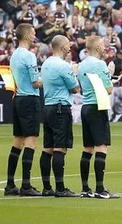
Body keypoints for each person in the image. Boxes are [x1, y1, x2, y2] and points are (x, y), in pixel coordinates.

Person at [77, 36, 119, 198]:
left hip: (86, 106)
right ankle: (100, 189)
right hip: (97, 106)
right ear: (96, 48)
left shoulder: (82, 65)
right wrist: (110, 74)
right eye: (102, 45)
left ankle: (85, 188)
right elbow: (108, 89)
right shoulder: (100, 64)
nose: (104, 47)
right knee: (101, 146)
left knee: (88, 148)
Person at [40, 34, 80, 197]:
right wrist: (74, 72)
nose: (70, 48)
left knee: (47, 148)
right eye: (68, 45)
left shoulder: (46, 63)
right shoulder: (63, 66)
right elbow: (75, 88)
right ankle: (60, 188)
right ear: (62, 47)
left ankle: (47, 187)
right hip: (60, 108)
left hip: (48, 106)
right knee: (60, 148)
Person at [5, 23, 43, 197]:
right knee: (31, 139)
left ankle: (10, 184)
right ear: (27, 36)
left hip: (18, 98)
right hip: (29, 99)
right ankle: (26, 185)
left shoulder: (14, 56)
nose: (35, 35)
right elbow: (36, 82)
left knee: (17, 140)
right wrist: (50, 77)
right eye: (33, 33)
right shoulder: (29, 56)